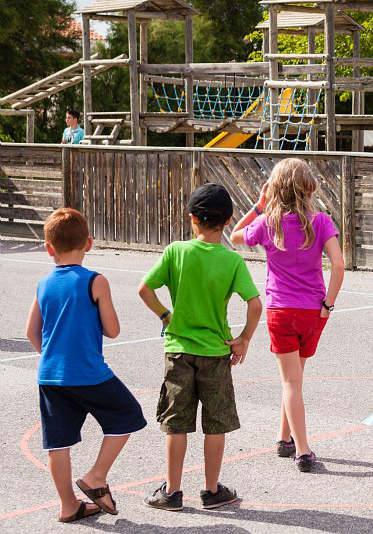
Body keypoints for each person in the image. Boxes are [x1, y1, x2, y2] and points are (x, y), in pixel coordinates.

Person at [139, 183, 263, 511]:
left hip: (178, 351)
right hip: (216, 353)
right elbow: (254, 305)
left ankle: (172, 492)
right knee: (216, 423)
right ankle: (211, 490)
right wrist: (244, 338)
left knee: (177, 423)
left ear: (193, 219)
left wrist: (167, 315)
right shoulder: (231, 261)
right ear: (229, 220)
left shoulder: (176, 251)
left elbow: (144, 289)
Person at [25, 208, 146, 523]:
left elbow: (31, 332)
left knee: (58, 443)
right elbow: (113, 329)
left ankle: (68, 505)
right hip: (89, 374)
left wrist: (52, 357)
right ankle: (95, 476)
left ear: (48, 248)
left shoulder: (43, 283)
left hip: (50, 375)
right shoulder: (95, 281)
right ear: (89, 243)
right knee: (129, 416)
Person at [229, 158, 345, 472]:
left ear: (276, 189)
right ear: (308, 189)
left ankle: (302, 449)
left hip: (281, 310)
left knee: (290, 381)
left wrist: (258, 205)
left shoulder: (268, 221)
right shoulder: (320, 221)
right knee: (294, 378)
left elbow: (234, 237)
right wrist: (328, 305)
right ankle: (284, 437)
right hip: (312, 311)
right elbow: (338, 265)